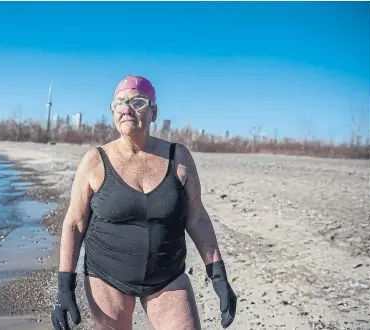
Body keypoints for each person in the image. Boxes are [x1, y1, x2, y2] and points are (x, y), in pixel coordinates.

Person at [50, 74, 237, 330]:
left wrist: (218, 277)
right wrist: (64, 288)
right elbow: (74, 224)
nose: (127, 109)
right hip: (107, 278)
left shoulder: (178, 158)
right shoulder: (95, 160)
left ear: (154, 111)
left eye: (137, 102)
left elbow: (198, 218)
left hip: (167, 277)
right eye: (119, 103)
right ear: (112, 111)